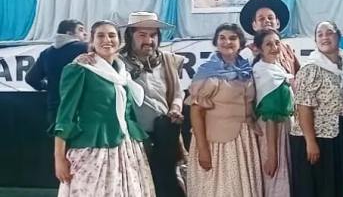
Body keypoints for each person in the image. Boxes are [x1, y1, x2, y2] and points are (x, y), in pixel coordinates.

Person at [53, 20, 154, 197]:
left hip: (126, 148)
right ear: (92, 41)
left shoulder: (122, 73)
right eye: (100, 35)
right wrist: (59, 158)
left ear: (120, 41)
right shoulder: (79, 69)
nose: (107, 40)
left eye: (112, 35)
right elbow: (65, 116)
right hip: (94, 148)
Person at [186, 23, 262, 197]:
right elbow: (196, 112)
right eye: (222, 38)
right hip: (216, 144)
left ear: (241, 43)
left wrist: (253, 124)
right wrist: (203, 149)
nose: (227, 42)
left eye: (232, 38)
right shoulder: (207, 72)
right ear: (216, 42)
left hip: (243, 140)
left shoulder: (246, 69)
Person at [119, 12, 186, 197]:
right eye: (142, 35)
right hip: (133, 136)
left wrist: (175, 109)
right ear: (130, 36)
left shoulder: (168, 60)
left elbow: (178, 94)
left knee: (167, 182)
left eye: (153, 35)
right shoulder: (117, 62)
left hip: (165, 134)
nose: (148, 40)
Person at [290, 21, 343, 197]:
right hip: (316, 138)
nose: (325, 37)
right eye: (320, 34)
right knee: (319, 188)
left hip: (339, 134)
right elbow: (303, 107)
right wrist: (311, 142)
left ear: (338, 37)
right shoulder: (311, 68)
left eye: (329, 33)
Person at [253, 29, 295, 197]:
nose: (274, 47)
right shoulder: (263, 73)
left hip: (284, 129)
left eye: (277, 43)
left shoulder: (277, 69)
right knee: (275, 178)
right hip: (272, 132)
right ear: (259, 49)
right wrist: (272, 155)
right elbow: (269, 116)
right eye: (268, 44)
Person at [25, 19, 88, 126]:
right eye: (81, 30)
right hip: (80, 109)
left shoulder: (46, 53)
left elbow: (31, 79)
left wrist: (48, 86)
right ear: (69, 33)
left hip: (55, 110)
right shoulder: (85, 48)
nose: (85, 33)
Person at [239, 0, 300, 74]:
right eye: (261, 19)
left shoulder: (287, 50)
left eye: (270, 18)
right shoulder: (247, 53)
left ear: (277, 23)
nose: (267, 21)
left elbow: (299, 74)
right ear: (254, 25)